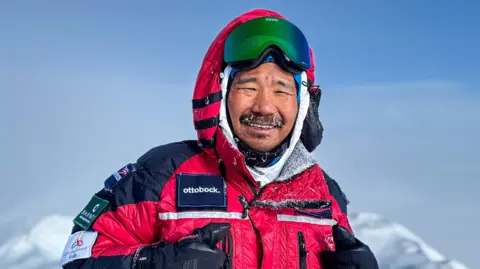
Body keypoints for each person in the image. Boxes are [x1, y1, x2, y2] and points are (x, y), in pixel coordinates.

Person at [59, 8, 379, 269]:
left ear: (304, 102)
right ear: (220, 94)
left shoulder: (324, 194)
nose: (265, 106)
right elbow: (78, 256)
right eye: (249, 87)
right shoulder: (158, 177)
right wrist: (150, 263)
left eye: (282, 89)